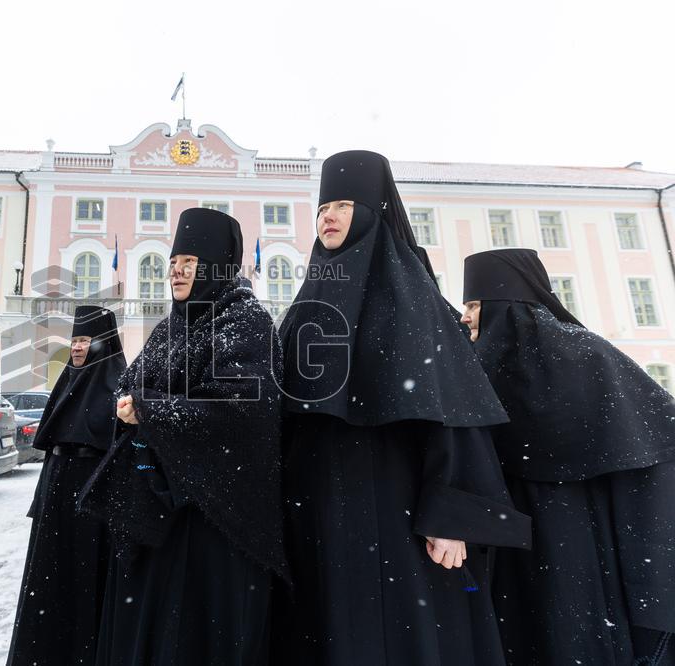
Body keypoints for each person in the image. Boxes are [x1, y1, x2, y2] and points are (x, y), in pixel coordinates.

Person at [274, 150, 531, 665]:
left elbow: (452, 410)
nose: (327, 215)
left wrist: (451, 512)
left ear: (371, 211)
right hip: (317, 504)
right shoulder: (308, 299)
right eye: (323, 206)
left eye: (343, 204)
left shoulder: (411, 293)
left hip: (397, 503)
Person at [80, 207, 289, 666]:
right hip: (161, 514)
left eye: (190, 261)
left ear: (217, 267)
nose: (176, 270)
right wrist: (136, 404)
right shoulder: (170, 326)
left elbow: (244, 410)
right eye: (173, 261)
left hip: (219, 520)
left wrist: (152, 408)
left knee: (199, 635)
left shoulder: (245, 319)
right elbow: (128, 384)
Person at [462, 248, 675, 665]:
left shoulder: (589, 356)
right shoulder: (480, 368)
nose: (465, 316)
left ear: (505, 303)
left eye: (473, 304)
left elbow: (657, 437)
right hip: (524, 549)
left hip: (587, 543)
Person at [7, 305, 127, 666]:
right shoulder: (66, 385)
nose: (76, 347)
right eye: (74, 339)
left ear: (103, 346)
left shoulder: (119, 387)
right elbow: (52, 445)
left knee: (86, 586)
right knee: (48, 587)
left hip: (93, 506)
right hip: (56, 499)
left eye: (85, 340)